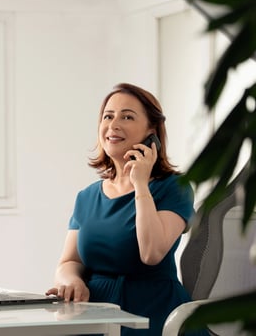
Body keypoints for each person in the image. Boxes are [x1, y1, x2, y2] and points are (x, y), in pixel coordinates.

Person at [46, 83, 209, 335]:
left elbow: (152, 253)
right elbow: (70, 261)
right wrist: (72, 281)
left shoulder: (174, 188)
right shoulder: (87, 196)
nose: (113, 124)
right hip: (93, 315)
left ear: (151, 131)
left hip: (152, 315)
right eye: (108, 116)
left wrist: (140, 185)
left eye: (127, 116)